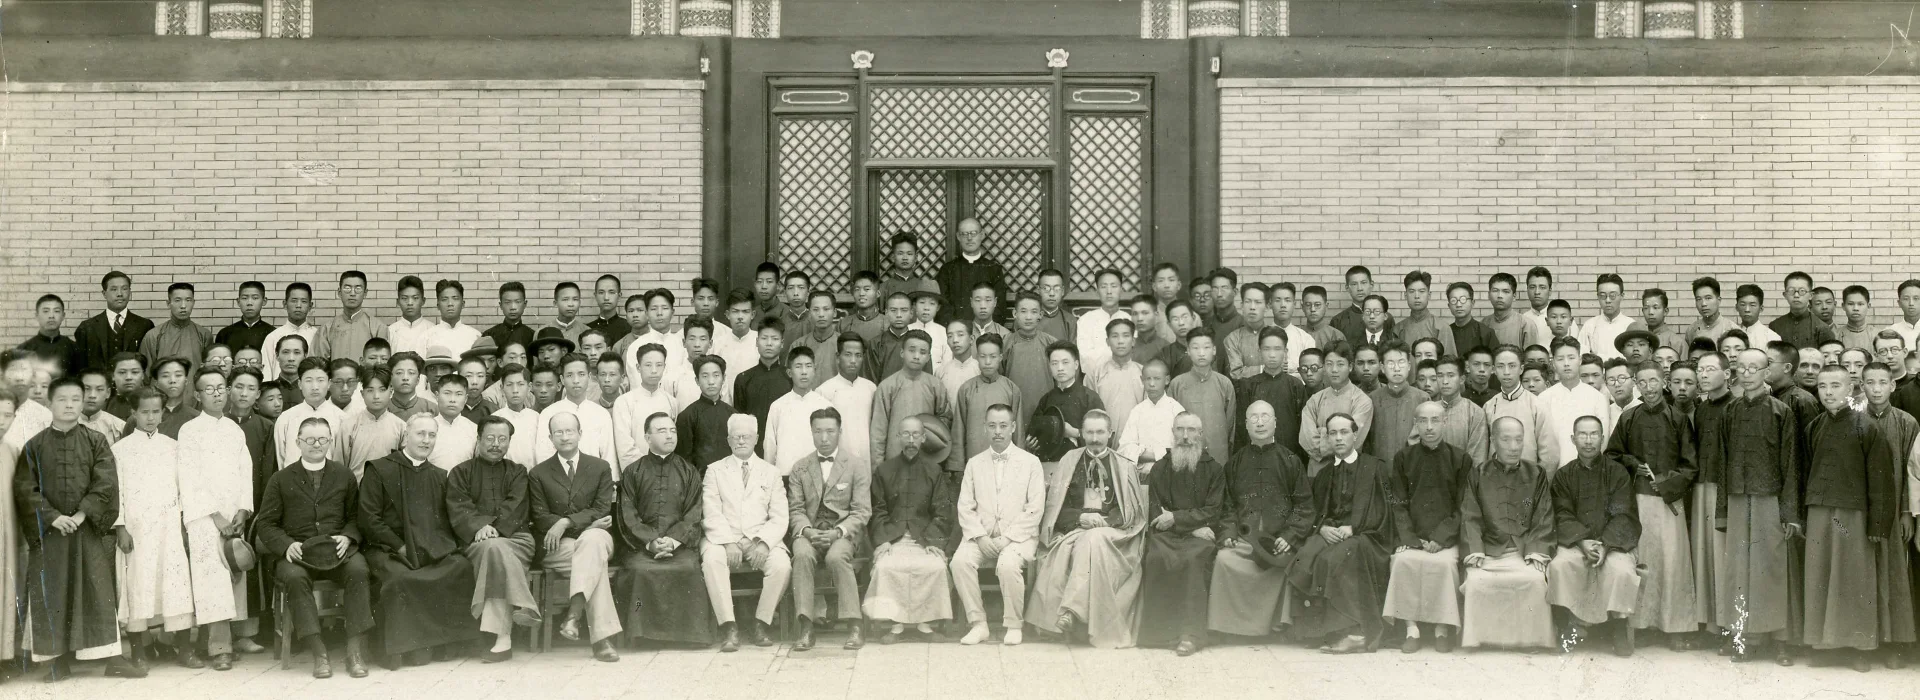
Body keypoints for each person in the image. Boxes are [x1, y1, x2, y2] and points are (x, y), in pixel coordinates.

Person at [18, 378, 146, 680]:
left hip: (85, 530)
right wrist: (51, 517)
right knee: (52, 591)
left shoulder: (96, 441)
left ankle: (111, 659)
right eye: (62, 399)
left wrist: (80, 514)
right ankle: (56, 661)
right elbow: (25, 488)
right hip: (50, 535)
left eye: (76, 399)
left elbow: (105, 483)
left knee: (97, 591)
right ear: (50, 403)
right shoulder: (34, 445)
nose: (70, 405)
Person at [254, 417, 372, 678]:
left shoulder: (344, 474)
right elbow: (267, 523)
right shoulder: (281, 478)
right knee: (295, 579)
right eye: (310, 439)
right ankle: (318, 652)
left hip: (337, 551)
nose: (317, 444)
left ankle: (354, 652)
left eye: (322, 439)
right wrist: (287, 545)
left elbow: (355, 516)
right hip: (297, 554)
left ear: (330, 441)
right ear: (298, 442)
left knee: (360, 571)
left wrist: (348, 537)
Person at [358, 414, 477, 669]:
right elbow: (369, 519)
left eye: (431, 435)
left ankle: (443, 645)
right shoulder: (379, 469)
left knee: (460, 567)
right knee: (401, 579)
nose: (426, 440)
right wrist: (400, 546)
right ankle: (409, 650)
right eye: (420, 434)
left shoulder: (439, 475)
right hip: (388, 548)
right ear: (406, 436)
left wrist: (435, 547)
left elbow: (444, 522)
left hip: (429, 547)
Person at [1027, 410, 1147, 649]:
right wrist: (1080, 517)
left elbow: (1132, 513)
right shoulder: (1069, 460)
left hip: (1115, 533)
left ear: (1110, 434)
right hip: (1077, 528)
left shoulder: (1124, 466)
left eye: (1100, 432)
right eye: (1089, 432)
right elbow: (1055, 508)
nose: (1094, 438)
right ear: (1081, 434)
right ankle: (1074, 613)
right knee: (1087, 541)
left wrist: (1106, 521)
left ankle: (1071, 610)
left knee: (1092, 540)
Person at [1803, 365, 1896, 671]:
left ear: (1850, 388)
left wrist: (1878, 525)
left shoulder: (1866, 426)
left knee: (1854, 577)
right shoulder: (1814, 426)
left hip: (1852, 516)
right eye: (1822, 386)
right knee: (1820, 577)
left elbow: (1881, 480)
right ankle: (1823, 644)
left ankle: (1860, 647)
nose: (1828, 392)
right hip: (1819, 511)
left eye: (1835, 385)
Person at [1606, 361, 1698, 646]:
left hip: (1670, 501)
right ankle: (1642, 624)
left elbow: (1691, 465)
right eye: (1642, 382)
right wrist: (1634, 464)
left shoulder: (1678, 419)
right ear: (1636, 383)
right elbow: (1613, 455)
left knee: (1673, 562)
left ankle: (1675, 628)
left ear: (1664, 382)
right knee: (1644, 560)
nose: (1649, 388)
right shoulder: (1628, 417)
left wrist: (1666, 481)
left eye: (1654, 381)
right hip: (1639, 500)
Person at [1207, 401, 1314, 638]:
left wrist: (1289, 536)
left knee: (1288, 562)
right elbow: (1227, 506)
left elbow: (1304, 507)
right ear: (1245, 425)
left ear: (1275, 423)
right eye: (1253, 417)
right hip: (1244, 541)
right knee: (1224, 559)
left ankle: (1275, 627)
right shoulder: (1235, 463)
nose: (1259, 421)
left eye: (1265, 416)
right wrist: (1228, 534)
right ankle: (1230, 629)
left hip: (1278, 541)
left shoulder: (1290, 460)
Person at [1286, 413, 1392, 654]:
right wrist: (1322, 528)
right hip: (1331, 532)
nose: (1338, 438)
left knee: (1333, 559)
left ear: (1355, 435)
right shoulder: (1324, 474)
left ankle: (1354, 632)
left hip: (1366, 536)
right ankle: (1315, 630)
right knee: (1305, 556)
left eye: (1344, 432)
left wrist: (1353, 528)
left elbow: (1383, 510)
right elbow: (1315, 512)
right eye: (1332, 433)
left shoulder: (1374, 468)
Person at [175, 368, 255, 668]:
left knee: (234, 573)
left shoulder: (235, 430)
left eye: (221, 387)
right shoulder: (190, 430)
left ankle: (232, 640)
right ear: (197, 395)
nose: (217, 393)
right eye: (209, 389)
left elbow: (245, 472)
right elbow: (190, 477)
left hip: (233, 516)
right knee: (213, 580)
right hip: (205, 519)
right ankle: (218, 647)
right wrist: (215, 515)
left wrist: (243, 510)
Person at [616, 413, 720, 646]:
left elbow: (694, 513)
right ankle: (642, 635)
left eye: (672, 430)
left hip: (679, 547)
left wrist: (672, 541)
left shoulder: (688, 471)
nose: (669, 435)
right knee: (640, 572)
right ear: (647, 437)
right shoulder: (633, 472)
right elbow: (627, 515)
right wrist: (652, 542)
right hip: (642, 548)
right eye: (662, 430)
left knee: (689, 569)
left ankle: (691, 636)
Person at [114, 389, 197, 671]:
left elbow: (183, 488)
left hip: (169, 526)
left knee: (176, 584)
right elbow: (118, 494)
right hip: (136, 529)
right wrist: (121, 527)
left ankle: (184, 648)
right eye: (145, 412)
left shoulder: (173, 447)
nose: (150, 417)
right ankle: (139, 651)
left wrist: (184, 524)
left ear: (163, 413)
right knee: (138, 583)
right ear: (134, 413)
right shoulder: (120, 450)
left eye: (156, 412)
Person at [1457, 416, 1557, 650]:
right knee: (1476, 582)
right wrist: (1475, 550)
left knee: (1534, 581)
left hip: (1523, 551)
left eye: (1518, 440)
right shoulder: (1478, 474)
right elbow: (1469, 515)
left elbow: (1544, 516)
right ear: (1493, 440)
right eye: (1506, 439)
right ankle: (1482, 639)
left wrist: (1536, 552)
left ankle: (1532, 640)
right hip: (1490, 551)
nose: (1513, 447)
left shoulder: (1536, 473)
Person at [951, 403, 1046, 646]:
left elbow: (1035, 509)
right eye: (992, 426)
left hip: (1018, 537)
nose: (998, 431)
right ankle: (978, 623)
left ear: (1013, 427)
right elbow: (965, 506)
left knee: (1007, 563)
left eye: (1003, 426)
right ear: (985, 428)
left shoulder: (1031, 462)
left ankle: (1014, 624)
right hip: (981, 535)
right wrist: (981, 537)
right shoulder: (974, 463)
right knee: (959, 562)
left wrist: (1007, 538)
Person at [1547, 415, 1641, 657]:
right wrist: (1581, 540)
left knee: (1621, 570)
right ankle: (1573, 625)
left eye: (1593, 435)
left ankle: (1619, 625)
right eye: (1582, 435)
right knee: (1560, 566)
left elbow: (1623, 513)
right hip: (1577, 542)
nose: (1588, 441)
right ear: (1573, 439)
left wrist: (1606, 545)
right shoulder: (1563, 475)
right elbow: (1562, 513)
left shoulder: (1617, 472)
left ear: (1602, 438)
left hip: (1613, 543)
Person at [1381, 402, 1471, 653]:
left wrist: (1441, 538)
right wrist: (1410, 539)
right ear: (1416, 424)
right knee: (1401, 563)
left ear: (1444, 423)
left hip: (1446, 538)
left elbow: (1464, 505)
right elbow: (1398, 503)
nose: (1429, 427)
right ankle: (1411, 629)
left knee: (1444, 566)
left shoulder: (1460, 458)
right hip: (1413, 537)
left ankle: (1442, 628)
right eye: (1423, 421)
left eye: (1435, 421)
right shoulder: (1403, 458)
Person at [446, 417, 537, 662]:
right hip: (477, 541)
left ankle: (499, 633)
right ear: (478, 439)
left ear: (509, 441)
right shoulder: (461, 472)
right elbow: (458, 507)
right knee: (493, 550)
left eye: (502, 439)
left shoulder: (518, 472)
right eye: (489, 438)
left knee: (495, 549)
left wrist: (492, 528)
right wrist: (479, 526)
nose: (495, 444)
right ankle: (509, 627)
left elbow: (516, 507)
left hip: (517, 540)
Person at [1138, 413, 1226, 655]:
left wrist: (1176, 518)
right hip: (1171, 535)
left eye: (1191, 430)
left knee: (1193, 560)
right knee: (1156, 558)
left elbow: (1213, 511)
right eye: (1180, 430)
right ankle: (1160, 633)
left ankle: (1190, 635)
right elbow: (1157, 512)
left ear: (1200, 434)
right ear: (1173, 432)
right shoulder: (1160, 468)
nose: (1185, 436)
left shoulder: (1214, 470)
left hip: (1199, 539)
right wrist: (1191, 524)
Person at [701, 414, 791, 651]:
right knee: (711, 560)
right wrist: (728, 542)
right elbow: (710, 511)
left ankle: (761, 622)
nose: (741, 441)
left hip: (759, 538)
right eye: (736, 437)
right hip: (724, 539)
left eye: (746, 436)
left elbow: (780, 516)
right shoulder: (714, 470)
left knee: (782, 565)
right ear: (728, 440)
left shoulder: (771, 472)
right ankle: (729, 626)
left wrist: (763, 543)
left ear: (756, 439)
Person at [785, 407, 872, 651]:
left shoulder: (855, 465)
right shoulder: (800, 467)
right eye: (818, 432)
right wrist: (808, 532)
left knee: (836, 556)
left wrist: (838, 533)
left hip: (843, 533)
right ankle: (805, 625)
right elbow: (796, 509)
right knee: (801, 555)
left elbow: (862, 511)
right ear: (811, 433)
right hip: (810, 532)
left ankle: (854, 623)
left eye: (830, 431)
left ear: (839, 432)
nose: (824, 438)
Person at [864, 416, 955, 643]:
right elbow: (878, 509)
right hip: (893, 540)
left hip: (924, 539)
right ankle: (896, 625)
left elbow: (942, 511)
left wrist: (934, 542)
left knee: (935, 567)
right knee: (886, 567)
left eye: (916, 435)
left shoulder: (934, 471)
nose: (911, 440)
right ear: (898, 437)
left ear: (924, 438)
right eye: (906, 434)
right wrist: (883, 540)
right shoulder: (884, 470)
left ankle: (925, 624)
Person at [1859, 361, 1917, 664]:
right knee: (1864, 573)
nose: (1877, 388)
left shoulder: (1907, 423)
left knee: (1894, 573)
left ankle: (1893, 643)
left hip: (1894, 512)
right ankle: (1866, 643)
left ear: (1893, 385)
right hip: (1861, 510)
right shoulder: (1854, 420)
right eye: (1870, 382)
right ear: (1862, 385)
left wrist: (1907, 511)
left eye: (1883, 382)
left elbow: (1912, 471)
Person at [1235, 327, 1308, 461]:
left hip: (1289, 457)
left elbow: (1302, 428)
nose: (1272, 355)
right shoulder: (1249, 385)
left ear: (1285, 352)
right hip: (1256, 457)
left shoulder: (1295, 385)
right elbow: (1241, 429)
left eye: (1277, 349)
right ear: (1259, 352)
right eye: (1266, 349)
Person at [1168, 327, 1236, 465]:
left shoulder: (1224, 384)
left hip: (1218, 454)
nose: (1201, 353)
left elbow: (1230, 425)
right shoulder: (1177, 384)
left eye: (1206, 347)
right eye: (1195, 348)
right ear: (1188, 351)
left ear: (1214, 350)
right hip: (1186, 453)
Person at [1029, 341, 1104, 465]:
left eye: (1065, 362)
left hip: (1082, 464)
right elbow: (1034, 431)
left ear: (1076, 365)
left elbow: (1103, 436)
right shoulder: (1046, 399)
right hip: (1049, 464)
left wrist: (1075, 432)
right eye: (1054, 363)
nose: (1060, 368)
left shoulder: (1090, 398)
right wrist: (1031, 443)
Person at [1540, 337, 1611, 468]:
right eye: (1560, 359)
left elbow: (1603, 439)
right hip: (1553, 471)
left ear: (1579, 360)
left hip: (1589, 469)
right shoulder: (1544, 399)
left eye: (1571, 357)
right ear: (1553, 363)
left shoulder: (1597, 398)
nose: (1566, 363)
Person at [1484, 345, 1558, 469]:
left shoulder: (1536, 405)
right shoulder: (1489, 406)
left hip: (1528, 481)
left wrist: (1537, 484)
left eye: (1512, 366)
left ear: (1521, 369)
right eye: (1501, 366)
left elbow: (1549, 455)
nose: (1506, 372)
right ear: (1494, 370)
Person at [535, 353, 616, 465]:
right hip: (558, 478)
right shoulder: (549, 413)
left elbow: (608, 456)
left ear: (589, 377)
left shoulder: (601, 414)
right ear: (562, 380)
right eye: (569, 375)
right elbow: (543, 455)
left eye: (581, 374)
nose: (576, 380)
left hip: (594, 478)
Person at [1299, 342, 1372, 462]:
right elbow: (1306, 440)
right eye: (1329, 364)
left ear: (1350, 366)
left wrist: (1321, 431)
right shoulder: (1314, 400)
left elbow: (1353, 440)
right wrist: (1340, 432)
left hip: (1348, 469)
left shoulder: (1362, 401)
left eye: (1340, 364)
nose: (1334, 370)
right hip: (1318, 470)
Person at [613, 343, 681, 469]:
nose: (654, 370)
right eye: (648, 365)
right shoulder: (625, 402)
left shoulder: (671, 401)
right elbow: (625, 446)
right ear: (638, 367)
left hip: (666, 470)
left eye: (659, 365)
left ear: (665, 367)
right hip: (636, 471)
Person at [75, 271, 155, 375]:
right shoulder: (87, 327)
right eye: (114, 289)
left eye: (124, 288)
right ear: (104, 294)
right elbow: (80, 367)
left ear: (130, 292)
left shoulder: (144, 325)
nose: (120, 294)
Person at [818, 333, 879, 468]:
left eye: (858, 355)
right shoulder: (824, 391)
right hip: (837, 463)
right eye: (848, 354)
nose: (853, 360)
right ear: (838, 357)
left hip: (866, 461)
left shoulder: (871, 388)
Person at [936, 218, 1010, 325]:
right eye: (964, 234)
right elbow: (942, 306)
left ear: (982, 235)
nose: (969, 238)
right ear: (958, 237)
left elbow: (999, 306)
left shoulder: (993, 269)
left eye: (973, 233)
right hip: (955, 333)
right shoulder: (947, 270)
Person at [274, 357, 346, 466]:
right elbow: (281, 458)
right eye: (308, 380)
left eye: (320, 380)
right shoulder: (286, 418)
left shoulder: (342, 419)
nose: (315, 387)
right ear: (300, 384)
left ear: (329, 384)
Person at [1366, 341, 1427, 464]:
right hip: (1380, 469)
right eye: (1390, 363)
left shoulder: (1422, 399)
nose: (1397, 368)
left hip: (1413, 468)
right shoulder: (1372, 399)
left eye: (1401, 362)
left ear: (1409, 366)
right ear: (1382, 368)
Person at [1119, 358, 1186, 469]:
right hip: (1141, 475)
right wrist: (1160, 454)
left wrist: (1145, 454)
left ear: (1167, 380)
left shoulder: (1176, 410)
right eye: (1147, 379)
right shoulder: (1137, 411)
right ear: (1142, 380)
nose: (1152, 384)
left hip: (1170, 472)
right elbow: (1125, 448)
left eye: (1157, 379)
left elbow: (1182, 448)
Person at [1004, 292, 1059, 422]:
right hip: (1014, 409)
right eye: (1023, 311)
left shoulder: (1051, 343)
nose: (1028, 317)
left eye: (1034, 312)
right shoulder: (1006, 343)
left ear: (1040, 315)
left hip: (1045, 409)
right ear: (1015, 314)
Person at [675, 355, 736, 470]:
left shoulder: (733, 414)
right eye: (705, 376)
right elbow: (683, 459)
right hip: (700, 481)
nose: (711, 381)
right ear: (697, 381)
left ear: (723, 378)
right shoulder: (687, 416)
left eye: (716, 375)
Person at [1087, 318, 1145, 433]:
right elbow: (1088, 410)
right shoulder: (1095, 373)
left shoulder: (1143, 373)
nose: (1120, 341)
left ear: (1133, 341)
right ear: (1107, 341)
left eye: (1126, 336)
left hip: (1135, 438)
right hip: (1103, 438)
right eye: (1115, 336)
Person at [140, 282, 214, 371]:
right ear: (168, 303)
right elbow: (145, 374)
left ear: (193, 303)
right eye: (177, 300)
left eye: (188, 300)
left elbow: (209, 371)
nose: (183, 306)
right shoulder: (154, 335)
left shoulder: (204, 335)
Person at [1429, 356, 1489, 462]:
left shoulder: (1475, 413)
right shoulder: (1428, 410)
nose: (1445, 381)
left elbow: (1477, 457)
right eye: (1440, 376)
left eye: (1451, 375)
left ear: (1462, 379)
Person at [1769, 272, 1838, 350]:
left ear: (1811, 295)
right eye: (1791, 291)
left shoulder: (1822, 328)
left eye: (1802, 291)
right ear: (1785, 295)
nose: (1796, 295)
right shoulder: (1775, 326)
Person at [1577, 273, 1637, 362]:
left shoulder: (1631, 325)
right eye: (1603, 296)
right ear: (1598, 296)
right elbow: (1581, 356)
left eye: (1612, 295)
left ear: (1622, 296)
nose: (1608, 300)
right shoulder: (1590, 326)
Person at [261, 283, 321, 370]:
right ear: (285, 304)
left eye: (304, 301)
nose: (298, 306)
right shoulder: (273, 337)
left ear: (310, 306)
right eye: (294, 300)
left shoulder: (317, 336)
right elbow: (266, 372)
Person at [1395, 271, 1451, 356]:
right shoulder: (1398, 330)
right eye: (1412, 291)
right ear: (1405, 295)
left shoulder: (1441, 327)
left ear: (1429, 295)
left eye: (1421, 291)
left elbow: (1449, 365)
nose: (1417, 296)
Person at [1331, 266, 1392, 344]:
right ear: (1347, 288)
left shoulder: (1386, 318)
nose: (1359, 288)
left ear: (1371, 284)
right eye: (1354, 284)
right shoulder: (1338, 320)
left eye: (1363, 283)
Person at [881, 232, 939, 301]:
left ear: (916, 257)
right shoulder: (883, 288)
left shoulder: (924, 287)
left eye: (909, 254)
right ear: (893, 257)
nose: (905, 258)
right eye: (900, 253)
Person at [840, 271, 886, 343]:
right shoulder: (843, 324)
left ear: (878, 293)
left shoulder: (887, 323)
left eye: (867, 289)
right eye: (857, 289)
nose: (861, 294)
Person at [1639, 288, 1689, 352]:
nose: (1650, 312)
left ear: (1665, 311)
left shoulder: (1678, 343)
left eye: (1655, 308)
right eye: (1646, 308)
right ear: (1642, 311)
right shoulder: (1639, 340)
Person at [1035, 269, 1078, 344]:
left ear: (1063, 291)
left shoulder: (1070, 320)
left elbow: (1072, 351)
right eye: (1046, 288)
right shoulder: (1027, 318)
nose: (1052, 293)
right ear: (1038, 290)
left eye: (1057, 289)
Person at [1301, 285, 1346, 351]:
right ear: (1302, 307)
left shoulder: (1336, 336)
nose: (1312, 309)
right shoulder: (1297, 334)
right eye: (1308, 305)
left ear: (1326, 306)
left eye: (1317, 305)